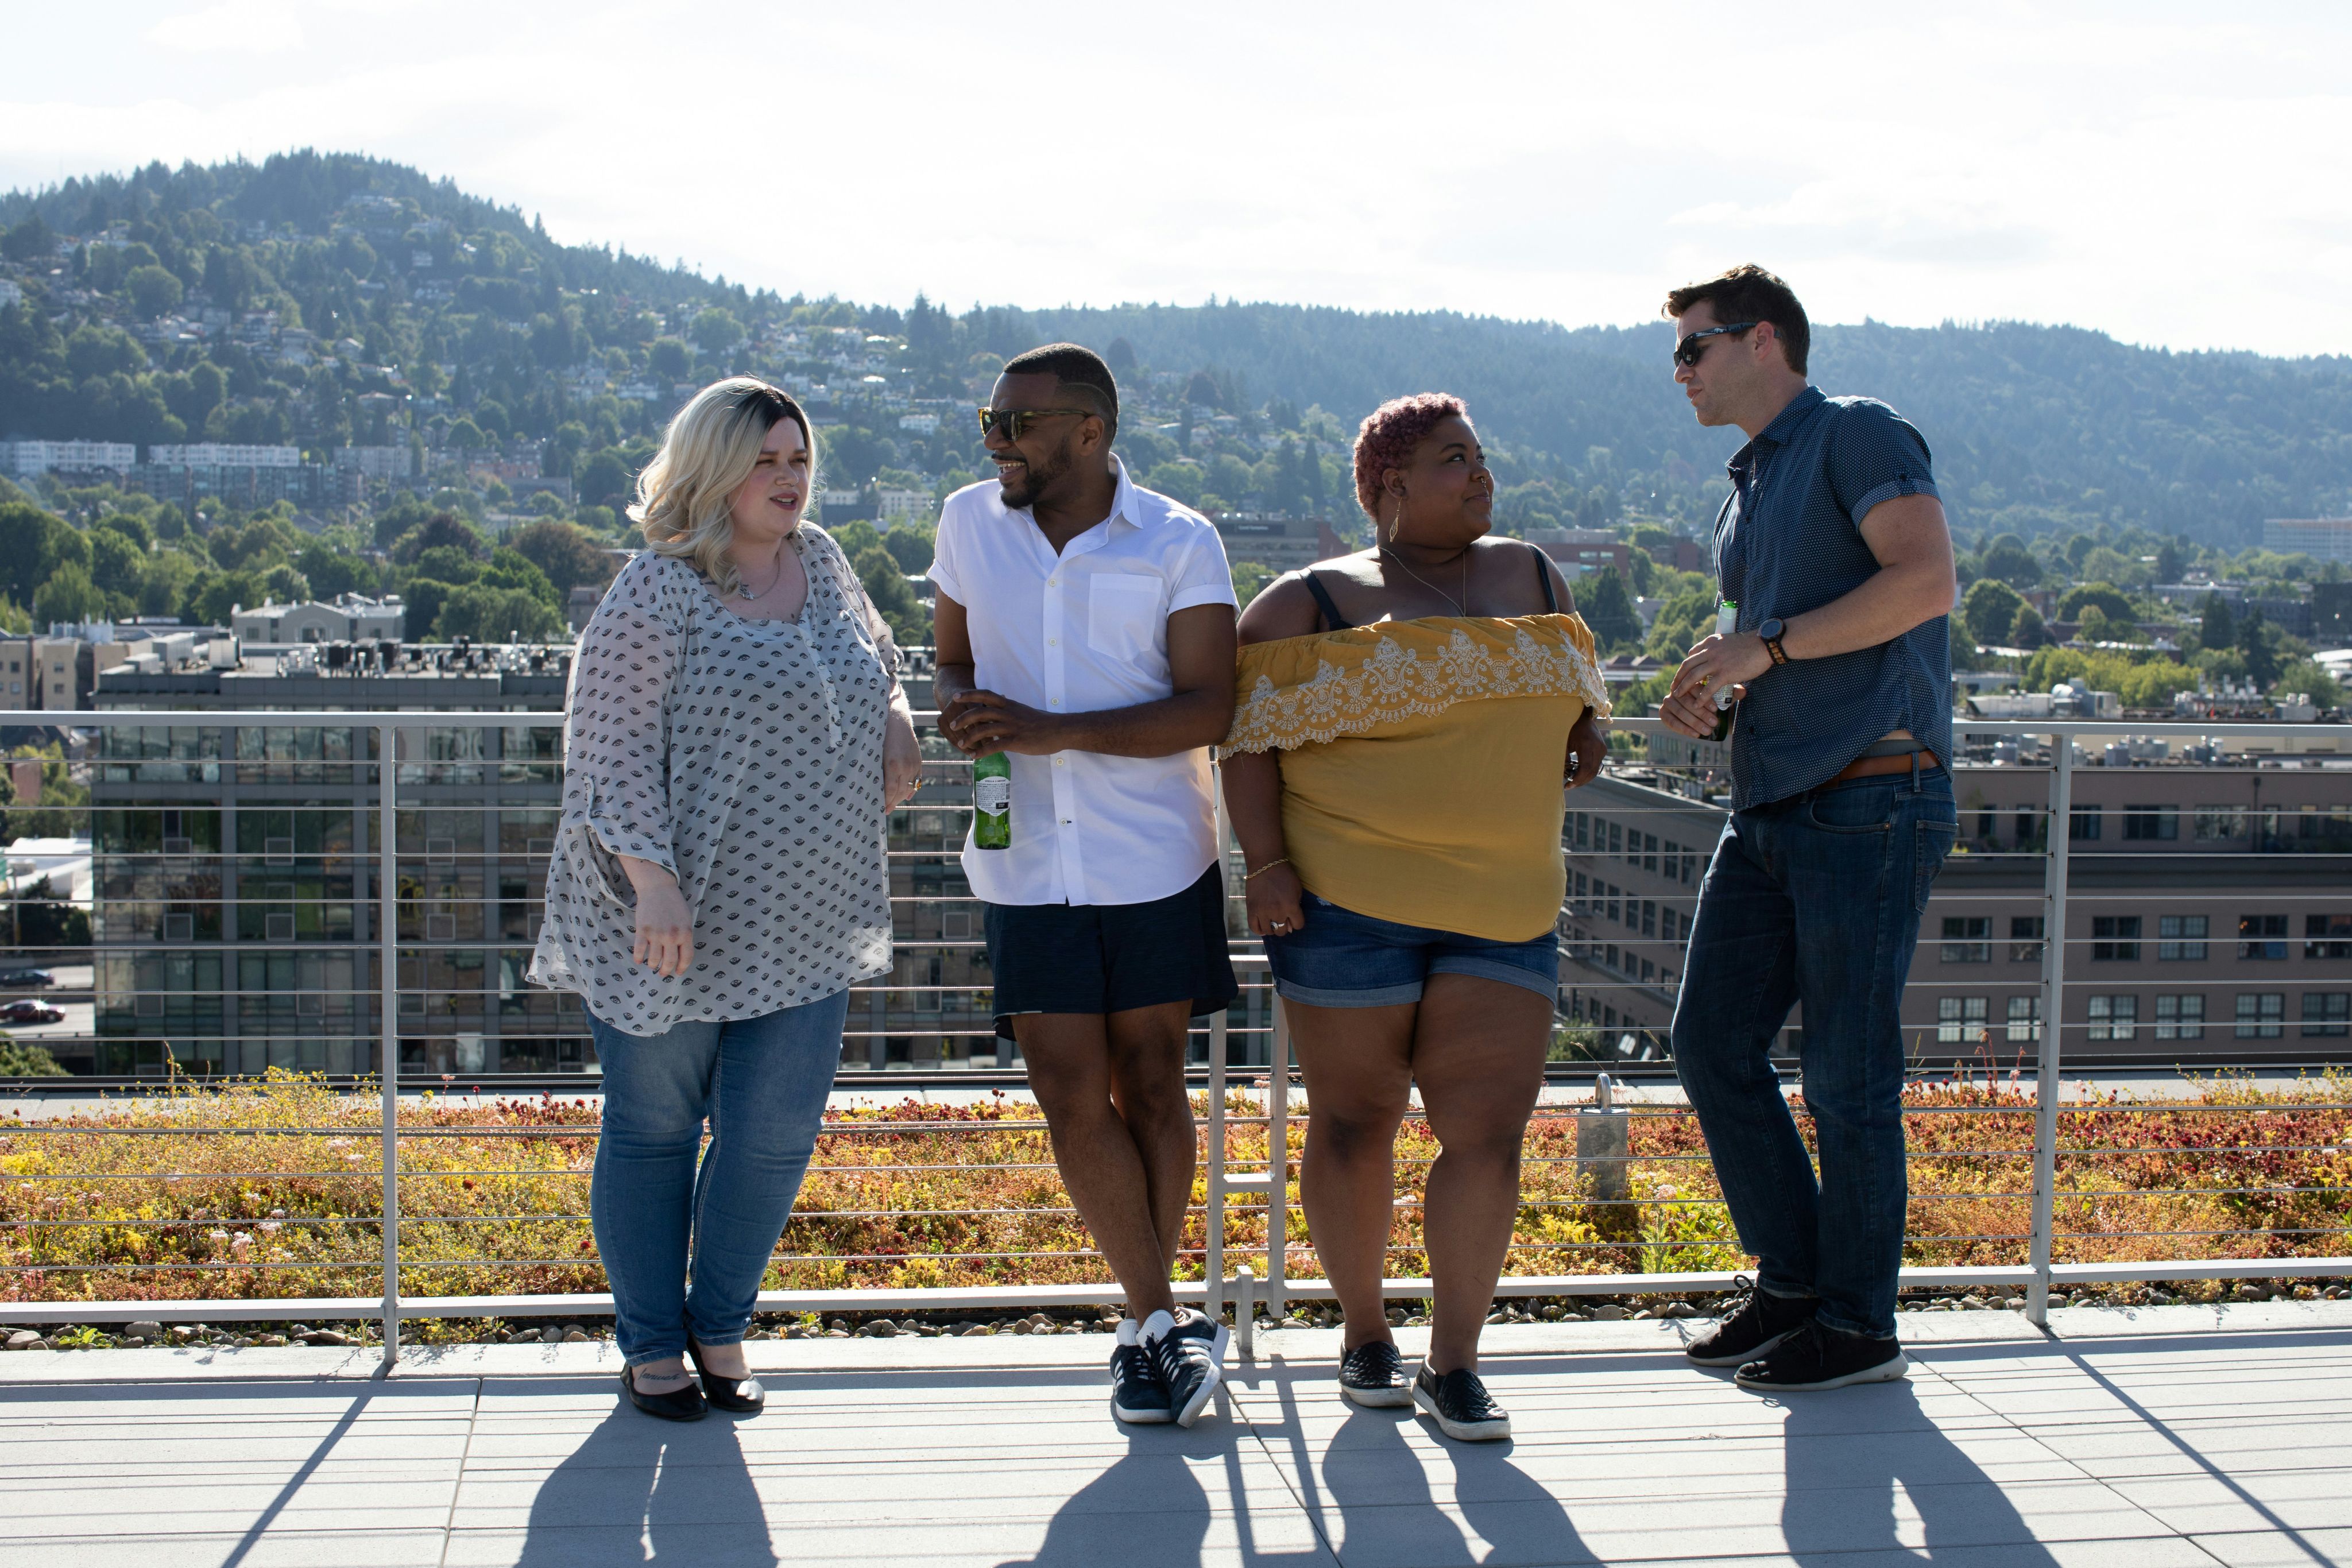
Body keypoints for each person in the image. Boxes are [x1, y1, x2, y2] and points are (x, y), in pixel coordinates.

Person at [529, 378, 922, 1422]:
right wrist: (653, 884)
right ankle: (653, 1345)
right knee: (656, 1128)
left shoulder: (822, 561)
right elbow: (607, 749)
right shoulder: (657, 588)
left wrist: (895, 711)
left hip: (809, 914)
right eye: (765, 461)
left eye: (799, 460)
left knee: (775, 1134)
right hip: (673, 915)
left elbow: (878, 656)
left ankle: (719, 1323)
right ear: (713, 470)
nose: (790, 480)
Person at [1221, 393, 1611, 1442]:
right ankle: (1365, 1337)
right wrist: (1267, 865)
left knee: (1487, 1135)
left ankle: (1456, 1362)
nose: (1482, 476)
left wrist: (1587, 729)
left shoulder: (1533, 575)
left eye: (1480, 457)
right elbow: (1245, 745)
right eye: (1454, 460)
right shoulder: (1304, 604)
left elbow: (1578, 691)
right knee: (1357, 1123)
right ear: (1390, 484)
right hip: (1347, 906)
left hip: (1507, 906)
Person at [1655, 265, 1959, 1392]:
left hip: (1870, 792)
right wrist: (1718, 689)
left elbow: (1924, 582)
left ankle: (1858, 1325)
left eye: (1692, 348)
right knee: (1710, 1043)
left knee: (1846, 1074)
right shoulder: (1747, 486)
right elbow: (1775, 641)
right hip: (1772, 800)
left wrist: (1767, 646)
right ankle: (1793, 1287)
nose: (1679, 372)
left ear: (1762, 340)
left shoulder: (1855, 432)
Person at [930, 343, 1241, 1427]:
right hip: (1023, 859)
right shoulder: (966, 522)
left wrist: (1051, 731)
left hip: (1155, 856)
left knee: (1152, 1083)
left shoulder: (1180, 540)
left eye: (1016, 425)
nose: (995, 444)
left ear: (1090, 432)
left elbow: (1209, 707)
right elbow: (953, 660)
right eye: (988, 423)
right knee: (1069, 1094)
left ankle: (1140, 1331)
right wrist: (965, 708)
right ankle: (1163, 1323)